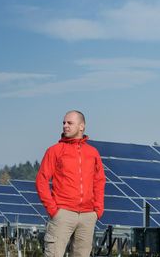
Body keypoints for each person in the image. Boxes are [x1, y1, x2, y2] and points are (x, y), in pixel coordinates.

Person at [36, 110, 106, 257]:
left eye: (70, 123)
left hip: (88, 215)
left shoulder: (92, 153)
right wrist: (53, 209)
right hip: (63, 213)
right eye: (64, 123)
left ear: (82, 126)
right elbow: (41, 180)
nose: (65, 126)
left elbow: (99, 181)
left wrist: (97, 210)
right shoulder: (54, 151)